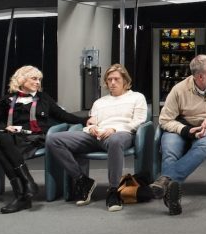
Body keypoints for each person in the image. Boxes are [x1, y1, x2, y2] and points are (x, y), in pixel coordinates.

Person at [0, 65, 88, 214]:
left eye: (39, 79)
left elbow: (64, 116)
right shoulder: (8, 100)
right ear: (22, 80)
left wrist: (85, 121)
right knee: (2, 140)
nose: (38, 82)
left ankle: (22, 194)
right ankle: (27, 186)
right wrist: (5, 128)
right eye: (34, 78)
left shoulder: (43, 98)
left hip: (34, 137)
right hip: (12, 138)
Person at [46, 64, 148, 212]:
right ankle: (82, 180)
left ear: (125, 80)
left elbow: (139, 121)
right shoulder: (99, 102)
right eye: (109, 79)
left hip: (121, 134)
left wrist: (114, 129)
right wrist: (91, 128)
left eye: (116, 79)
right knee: (54, 139)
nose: (112, 82)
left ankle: (114, 190)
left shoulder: (137, 97)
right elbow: (91, 122)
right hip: (96, 136)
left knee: (114, 140)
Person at [151, 54, 206, 215]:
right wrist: (184, 130)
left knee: (203, 146)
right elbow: (164, 119)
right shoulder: (179, 90)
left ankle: (166, 182)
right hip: (181, 127)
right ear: (200, 77)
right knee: (169, 149)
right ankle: (172, 196)